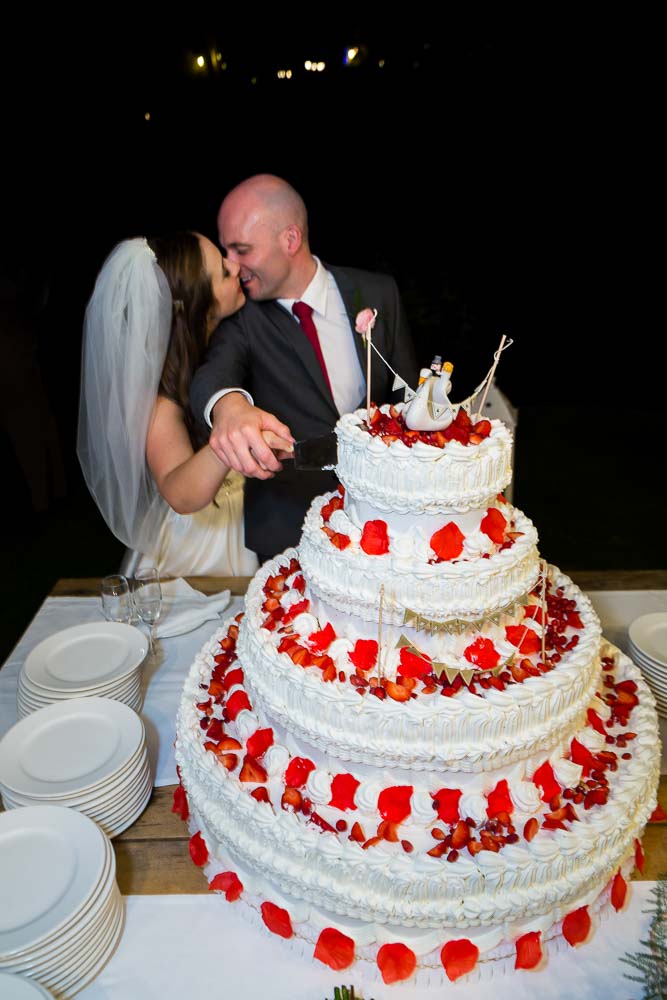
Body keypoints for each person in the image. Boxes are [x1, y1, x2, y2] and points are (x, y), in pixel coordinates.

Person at [190, 175, 418, 561]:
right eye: (226, 250)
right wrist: (229, 407)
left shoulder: (378, 293)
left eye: (241, 249)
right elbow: (212, 375)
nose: (231, 265)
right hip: (289, 534)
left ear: (290, 240)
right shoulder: (241, 319)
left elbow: (407, 397)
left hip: (385, 526)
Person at [78, 233, 289, 576]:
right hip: (200, 551)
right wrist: (232, 437)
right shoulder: (162, 399)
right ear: (195, 304)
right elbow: (179, 492)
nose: (236, 266)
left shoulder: (225, 345)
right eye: (222, 271)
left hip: (248, 523)